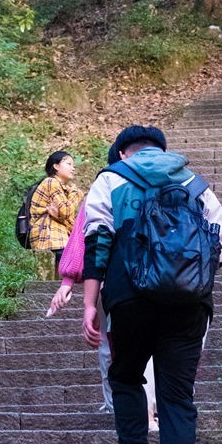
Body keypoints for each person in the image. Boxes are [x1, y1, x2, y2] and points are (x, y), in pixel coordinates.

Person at [83, 124, 222, 444]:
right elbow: (218, 246)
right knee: (177, 399)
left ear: (123, 152)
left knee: (126, 375)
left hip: (129, 300)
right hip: (189, 304)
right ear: (162, 150)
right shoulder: (196, 184)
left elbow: (98, 244)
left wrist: (91, 304)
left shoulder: (111, 180)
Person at [49, 156, 156, 425]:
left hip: (111, 285)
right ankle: (150, 409)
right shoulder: (161, 187)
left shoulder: (102, 190)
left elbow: (81, 242)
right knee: (151, 346)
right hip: (156, 282)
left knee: (110, 345)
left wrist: (68, 281)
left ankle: (116, 406)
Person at [28, 149, 83, 277]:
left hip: (57, 238)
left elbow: (69, 221)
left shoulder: (61, 188)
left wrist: (60, 215)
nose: (73, 168)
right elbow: (66, 211)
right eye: (69, 164)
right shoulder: (51, 182)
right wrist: (77, 194)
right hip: (49, 236)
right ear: (56, 166)